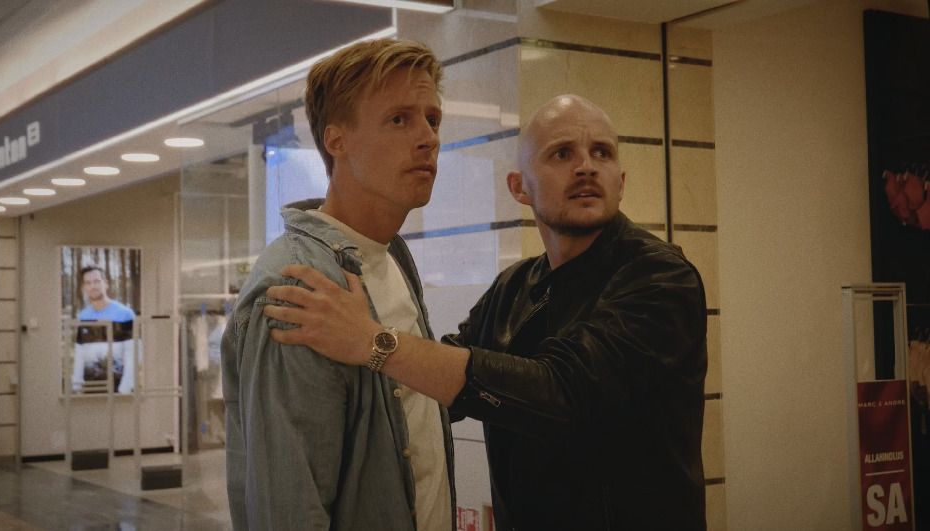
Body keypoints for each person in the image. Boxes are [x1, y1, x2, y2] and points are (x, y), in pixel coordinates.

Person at [264, 94, 708, 530]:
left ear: (621, 181)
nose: (586, 166)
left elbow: (562, 391)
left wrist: (372, 342)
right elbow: (437, 390)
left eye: (602, 153)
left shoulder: (661, 277)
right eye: (562, 153)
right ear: (519, 187)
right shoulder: (514, 287)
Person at [221, 38, 455, 531]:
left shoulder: (391, 256)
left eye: (432, 119)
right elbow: (288, 509)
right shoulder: (298, 287)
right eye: (399, 119)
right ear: (336, 140)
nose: (428, 138)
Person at [72, 265, 138, 394]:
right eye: (88, 283)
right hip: (91, 386)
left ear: (106, 284)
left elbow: (132, 354)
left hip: (118, 387)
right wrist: (77, 385)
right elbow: (80, 353)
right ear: (84, 287)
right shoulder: (83, 316)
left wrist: (125, 387)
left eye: (97, 281)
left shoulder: (125, 314)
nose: (93, 286)